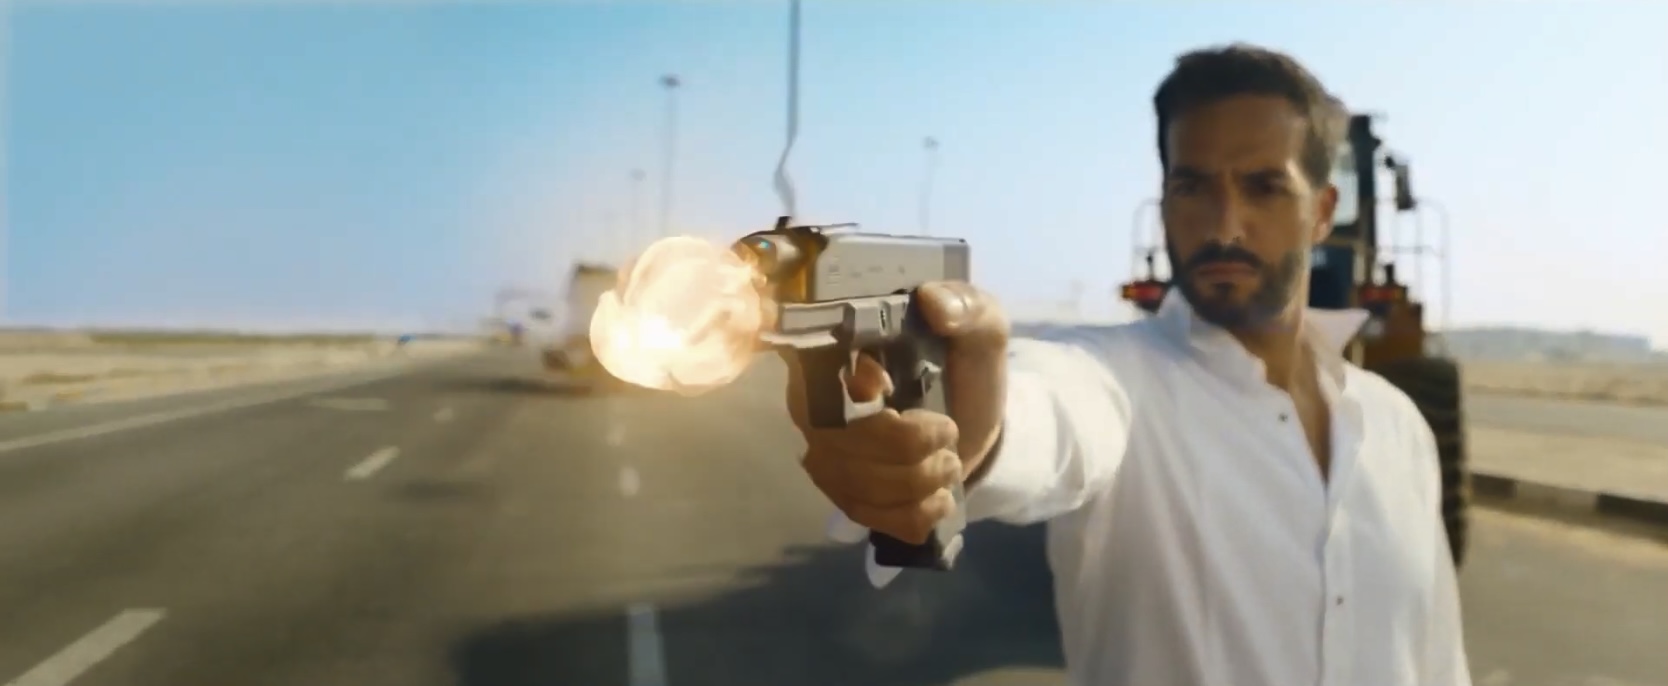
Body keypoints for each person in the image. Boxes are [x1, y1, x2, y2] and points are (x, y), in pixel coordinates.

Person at [787, 43, 1472, 686]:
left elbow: (1438, 658)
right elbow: (1055, 413)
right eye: (1192, 187)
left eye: (1264, 187)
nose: (1224, 225)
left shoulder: (1398, 425)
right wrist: (971, 432)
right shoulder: (1117, 379)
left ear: (1322, 212)